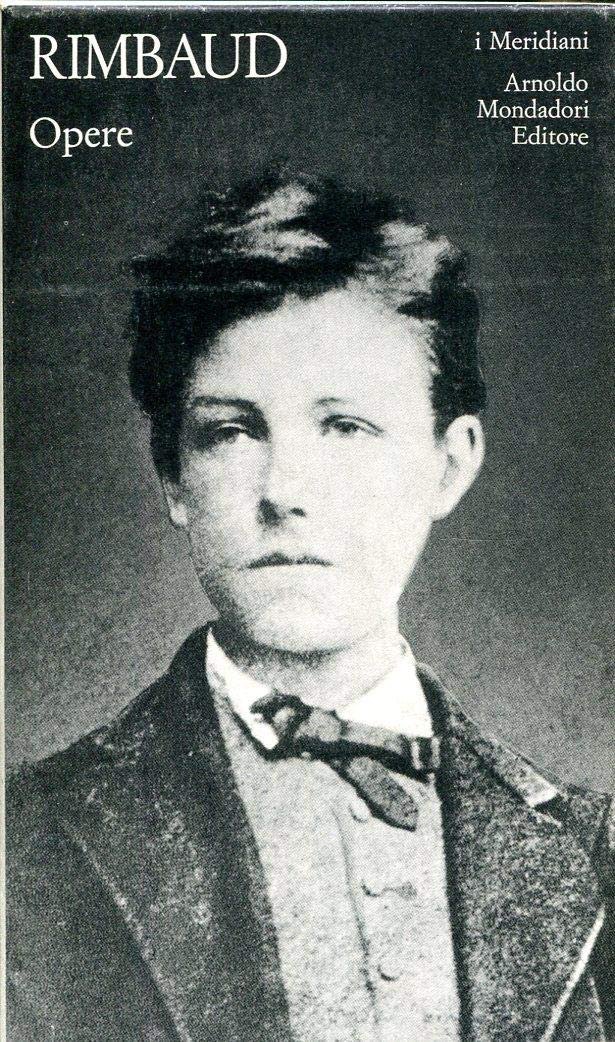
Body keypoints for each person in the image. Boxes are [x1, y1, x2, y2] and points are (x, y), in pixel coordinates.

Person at [7, 171, 613, 1042]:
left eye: (345, 427)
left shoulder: (591, 845)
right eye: (230, 431)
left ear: (449, 464)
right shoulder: (30, 837)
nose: (284, 491)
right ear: (173, 476)